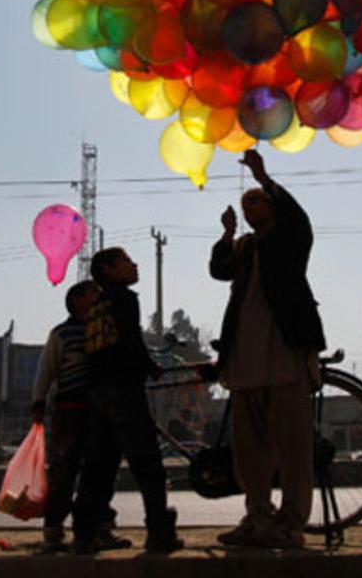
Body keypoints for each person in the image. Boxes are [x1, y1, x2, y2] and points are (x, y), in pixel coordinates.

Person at [209, 149, 326, 549]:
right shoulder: (244, 249)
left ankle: (291, 522)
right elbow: (218, 269)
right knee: (249, 452)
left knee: (294, 448)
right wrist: (226, 233)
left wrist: (263, 177)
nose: (251, 205)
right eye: (247, 203)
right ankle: (257, 516)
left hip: (285, 357)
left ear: (273, 207)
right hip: (244, 361)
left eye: (257, 200)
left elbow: (301, 221)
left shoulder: (289, 243)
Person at [85, 247, 183, 554]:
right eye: (126, 261)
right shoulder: (125, 299)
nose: (134, 264)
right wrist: (150, 368)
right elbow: (130, 340)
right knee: (148, 464)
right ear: (109, 269)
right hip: (124, 392)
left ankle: (85, 534)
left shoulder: (97, 305)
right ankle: (159, 532)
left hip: (100, 394)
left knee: (100, 467)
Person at [31, 280, 128, 553]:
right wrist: (38, 402)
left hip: (100, 409)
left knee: (100, 473)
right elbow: (46, 371)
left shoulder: (106, 329)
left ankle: (100, 528)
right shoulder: (61, 335)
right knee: (64, 470)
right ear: (77, 300)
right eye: (93, 292)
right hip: (70, 411)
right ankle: (54, 529)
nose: (99, 296)